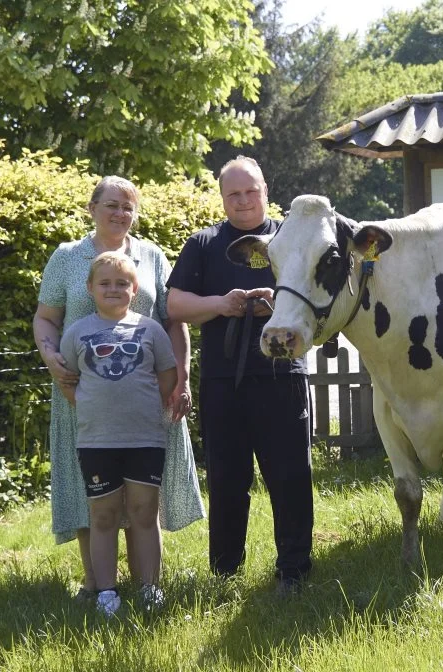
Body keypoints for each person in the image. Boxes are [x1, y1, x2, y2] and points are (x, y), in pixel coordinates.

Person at [32, 176, 204, 602]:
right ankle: (95, 584)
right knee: (91, 492)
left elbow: (172, 321)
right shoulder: (68, 257)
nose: (119, 214)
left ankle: (146, 583)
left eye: (128, 207)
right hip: (81, 393)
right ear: (92, 208)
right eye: (111, 205)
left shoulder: (151, 256)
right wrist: (50, 356)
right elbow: (45, 318)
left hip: (148, 397)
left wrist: (180, 376)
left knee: (145, 497)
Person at [166, 156, 313, 593]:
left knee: (290, 477)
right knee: (228, 480)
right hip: (222, 380)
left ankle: (294, 570)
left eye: (251, 191)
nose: (244, 200)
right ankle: (225, 573)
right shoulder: (204, 243)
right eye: (234, 193)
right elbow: (175, 306)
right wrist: (222, 304)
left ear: (266, 191)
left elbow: (320, 297)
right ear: (223, 198)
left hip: (282, 374)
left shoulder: (294, 239)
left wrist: (279, 302)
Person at [59, 251, 176, 616]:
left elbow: (168, 377)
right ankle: (106, 592)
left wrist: (139, 409)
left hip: (145, 439)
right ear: (90, 288)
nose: (113, 289)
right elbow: (68, 382)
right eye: (105, 283)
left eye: (122, 283)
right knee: (104, 517)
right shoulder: (77, 332)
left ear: (135, 288)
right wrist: (95, 408)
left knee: (144, 513)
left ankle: (149, 589)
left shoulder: (151, 329)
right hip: (96, 441)